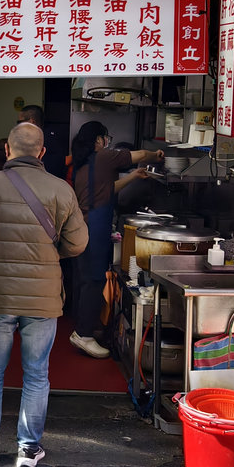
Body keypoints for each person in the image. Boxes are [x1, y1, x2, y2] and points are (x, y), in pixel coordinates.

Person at [0, 122, 88, 467]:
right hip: (42, 297)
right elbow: (78, 243)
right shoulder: (61, 189)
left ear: (7, 150)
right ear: (42, 153)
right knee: (37, 373)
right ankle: (29, 449)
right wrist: (49, 254)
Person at [68, 121, 164, 358]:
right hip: (94, 228)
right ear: (99, 140)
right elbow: (140, 154)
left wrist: (133, 176)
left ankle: (85, 329)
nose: (107, 142)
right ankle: (83, 334)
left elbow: (108, 188)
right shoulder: (104, 157)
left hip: (83, 228)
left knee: (88, 280)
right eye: (105, 138)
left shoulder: (85, 164)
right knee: (94, 280)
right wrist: (156, 154)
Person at [17, 104, 67, 179]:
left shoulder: (48, 139)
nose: (18, 126)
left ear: (31, 122)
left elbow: (59, 163)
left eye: (20, 122)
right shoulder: (31, 139)